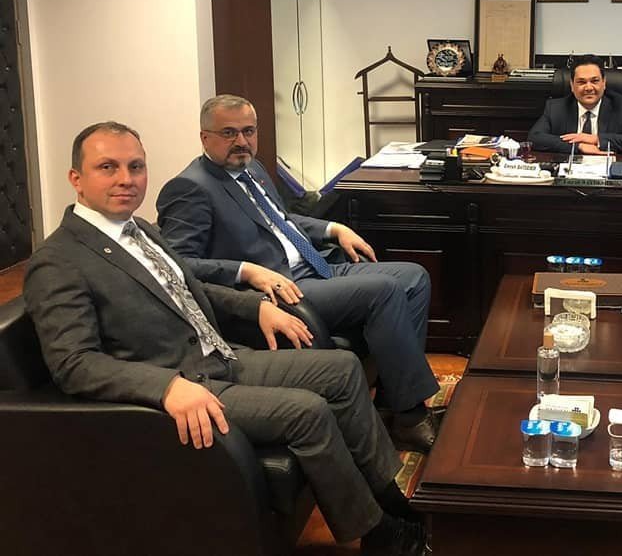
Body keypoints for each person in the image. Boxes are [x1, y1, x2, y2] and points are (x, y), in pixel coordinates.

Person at [22, 122, 428, 555]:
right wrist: (166, 387)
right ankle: (379, 532)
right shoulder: (58, 261)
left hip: (219, 356)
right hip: (182, 381)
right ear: (76, 178)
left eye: (135, 166)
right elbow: (73, 363)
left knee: (342, 369)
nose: (126, 179)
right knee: (308, 411)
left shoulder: (138, 229)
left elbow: (189, 287)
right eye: (108, 167)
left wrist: (255, 306)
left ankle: (391, 499)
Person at [156, 95, 439, 453]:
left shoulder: (252, 169)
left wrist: (333, 229)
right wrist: (246, 271)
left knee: (414, 277)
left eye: (248, 131)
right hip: (284, 288)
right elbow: (177, 262)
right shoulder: (190, 188)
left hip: (315, 265)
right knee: (383, 290)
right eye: (229, 133)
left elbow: (282, 220)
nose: (241, 141)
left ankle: (390, 400)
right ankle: (411, 418)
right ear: (204, 137)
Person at [528, 54, 622, 155]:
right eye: (581, 82)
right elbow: (535, 138)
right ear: (572, 85)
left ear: (604, 83)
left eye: (594, 81)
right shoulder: (556, 108)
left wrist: (596, 139)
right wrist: (578, 146)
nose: (589, 88)